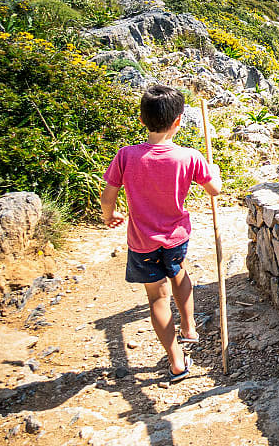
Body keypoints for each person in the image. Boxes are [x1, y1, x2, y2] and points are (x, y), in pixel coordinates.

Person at [100, 85, 223, 384]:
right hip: (176, 237)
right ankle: (190, 328)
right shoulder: (189, 157)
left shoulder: (126, 156)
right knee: (179, 273)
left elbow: (108, 196)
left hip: (142, 242)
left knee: (157, 297)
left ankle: (176, 361)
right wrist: (214, 169)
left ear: (142, 120)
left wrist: (110, 215)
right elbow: (214, 189)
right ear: (179, 121)